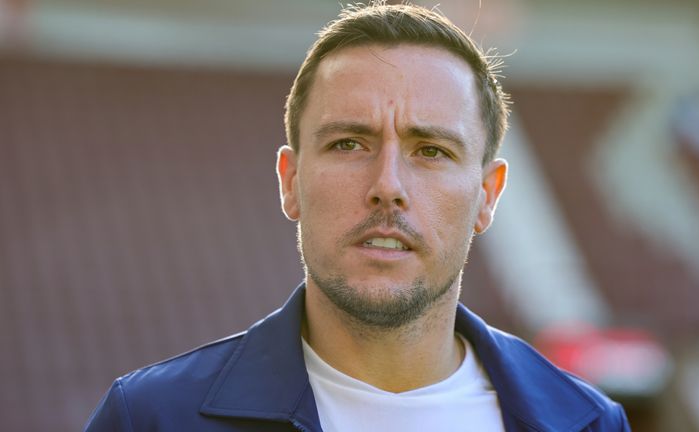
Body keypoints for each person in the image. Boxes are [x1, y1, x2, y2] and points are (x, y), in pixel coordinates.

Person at [85, 2, 630, 431]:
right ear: (291, 182)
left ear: (487, 195)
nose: (388, 186)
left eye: (431, 151)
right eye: (349, 143)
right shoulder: (152, 418)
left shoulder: (586, 423)